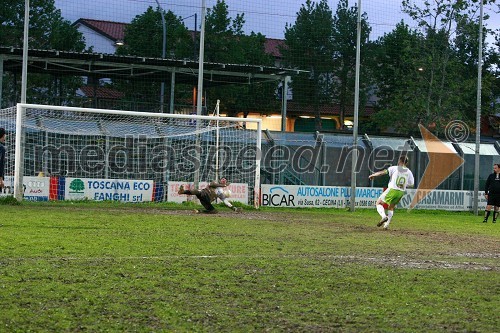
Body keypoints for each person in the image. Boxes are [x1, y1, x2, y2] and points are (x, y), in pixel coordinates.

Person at [368, 156, 414, 230]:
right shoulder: (409, 172)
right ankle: (386, 225)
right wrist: (403, 185)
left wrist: (373, 175)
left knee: (379, 203)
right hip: (401, 192)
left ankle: (383, 217)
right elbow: (411, 184)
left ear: (400, 161)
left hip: (392, 189)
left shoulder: (395, 168)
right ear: (406, 163)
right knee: (391, 207)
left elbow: (383, 172)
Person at [177, 178, 242, 214]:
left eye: (225, 180)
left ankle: (198, 211)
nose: (224, 180)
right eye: (223, 179)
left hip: (206, 201)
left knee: (214, 211)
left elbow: (225, 201)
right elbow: (213, 184)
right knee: (198, 191)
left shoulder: (221, 192)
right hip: (205, 194)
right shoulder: (215, 182)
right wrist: (224, 185)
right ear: (220, 180)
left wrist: (234, 208)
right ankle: (183, 191)